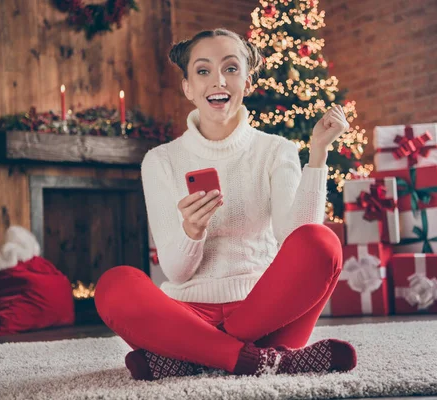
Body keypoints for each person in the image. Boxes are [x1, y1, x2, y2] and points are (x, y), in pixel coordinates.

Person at [94, 28, 356, 381]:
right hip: (186, 316)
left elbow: (296, 237)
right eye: (203, 71)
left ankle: (197, 358)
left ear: (247, 82)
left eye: (231, 69)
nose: (218, 80)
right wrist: (192, 231)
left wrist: (318, 156)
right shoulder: (160, 161)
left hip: (264, 311)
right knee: (115, 285)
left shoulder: (276, 150)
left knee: (323, 243)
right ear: (187, 87)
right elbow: (176, 272)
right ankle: (265, 361)